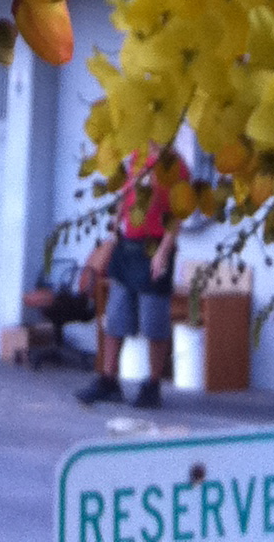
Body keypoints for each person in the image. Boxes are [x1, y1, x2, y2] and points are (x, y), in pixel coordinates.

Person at [76, 144, 187, 410]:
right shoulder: (137, 155)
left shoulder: (175, 165)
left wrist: (163, 252)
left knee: (153, 320)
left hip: (154, 247)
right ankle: (108, 380)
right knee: (115, 315)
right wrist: (115, 228)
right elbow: (126, 195)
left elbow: (178, 214)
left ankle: (152, 385)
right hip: (128, 246)